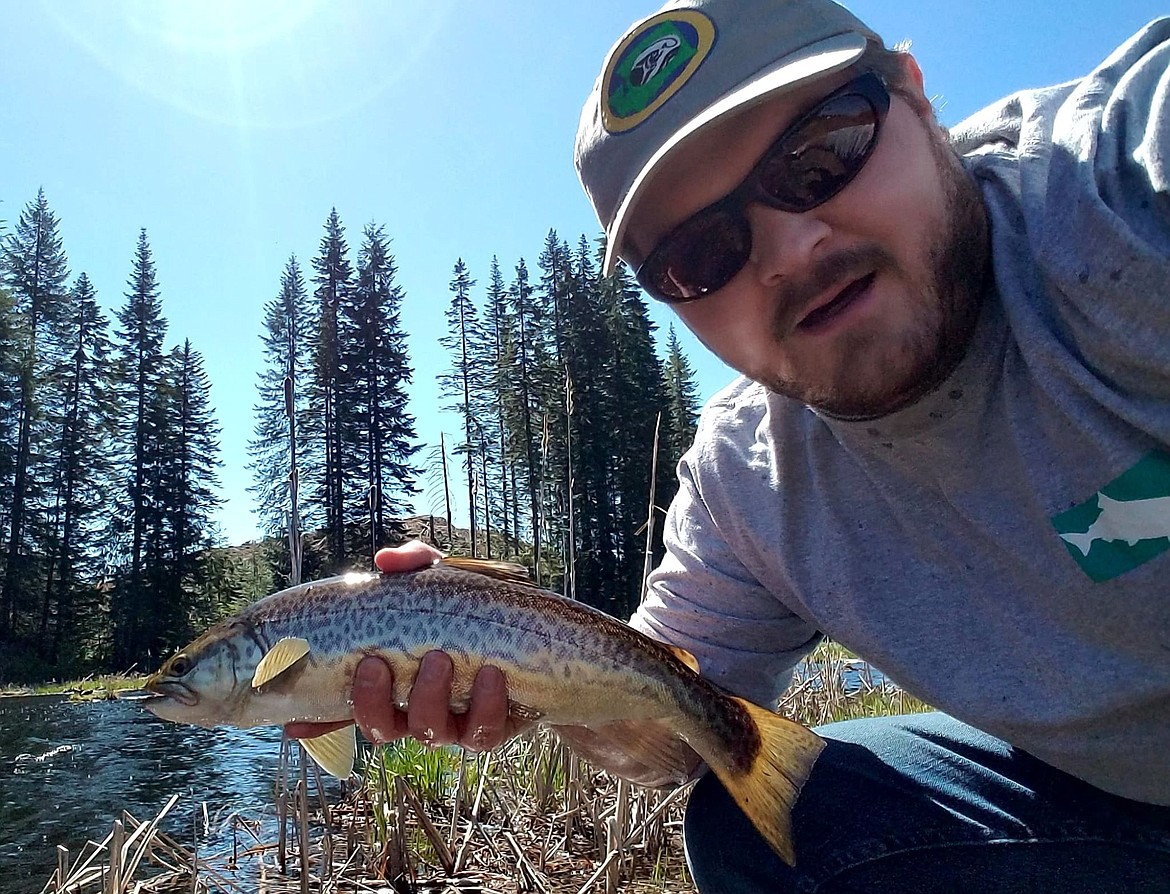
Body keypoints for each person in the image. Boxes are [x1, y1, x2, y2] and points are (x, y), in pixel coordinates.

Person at [289, 0, 1170, 889]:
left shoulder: (1117, 202)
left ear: (916, 94)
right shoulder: (745, 480)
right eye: (699, 253)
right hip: (1110, 804)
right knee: (751, 824)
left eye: (822, 150)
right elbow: (670, 732)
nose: (787, 251)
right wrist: (521, 670)